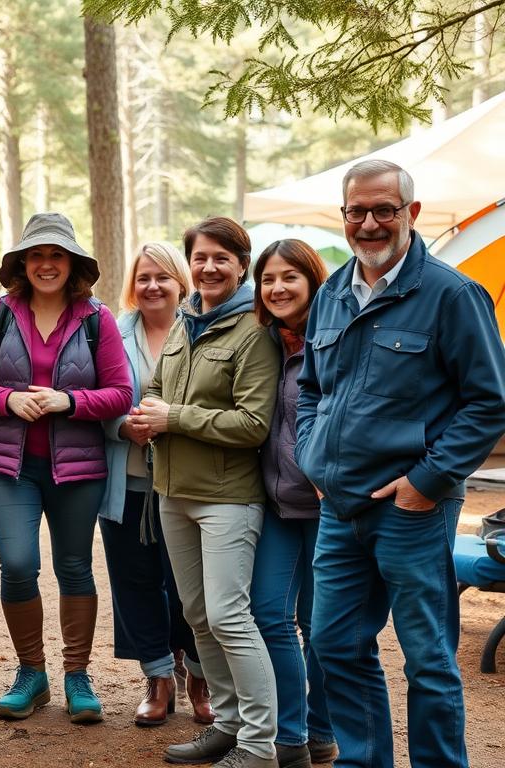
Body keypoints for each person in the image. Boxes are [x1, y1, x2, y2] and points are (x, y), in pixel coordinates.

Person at [296, 159, 505, 768]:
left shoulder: (452, 294)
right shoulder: (332, 291)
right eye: (357, 211)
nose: (369, 222)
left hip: (411, 511)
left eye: (384, 209)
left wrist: (426, 482)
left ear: (410, 214)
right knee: (335, 645)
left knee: (428, 658)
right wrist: (313, 458)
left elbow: (489, 403)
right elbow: (312, 388)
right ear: (343, 216)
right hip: (339, 509)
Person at [0, 212, 132, 725]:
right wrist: (10, 401)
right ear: (22, 263)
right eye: (36, 255)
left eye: (56, 255)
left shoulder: (96, 318)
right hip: (10, 466)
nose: (46, 264)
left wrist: (67, 401)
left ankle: (77, 675)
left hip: (77, 469)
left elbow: (121, 393)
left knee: (74, 566)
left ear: (72, 263)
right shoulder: (0, 315)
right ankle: (31, 674)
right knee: (16, 564)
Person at [133, 216, 280, 767]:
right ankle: (227, 724)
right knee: (196, 615)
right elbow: (156, 387)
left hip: (228, 498)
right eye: (200, 257)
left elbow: (253, 424)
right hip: (172, 491)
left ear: (242, 264)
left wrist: (175, 417)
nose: (209, 267)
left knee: (228, 616)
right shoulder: (185, 320)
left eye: (222, 257)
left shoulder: (253, 331)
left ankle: (261, 746)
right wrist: (145, 413)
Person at [98, 242, 215, 728]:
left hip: (188, 481)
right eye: (143, 277)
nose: (152, 286)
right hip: (129, 479)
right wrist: (122, 427)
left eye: (162, 277)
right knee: (135, 581)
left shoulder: (202, 328)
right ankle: (157, 676)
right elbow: (98, 399)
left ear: (180, 283)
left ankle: (200, 673)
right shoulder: (112, 332)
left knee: (193, 587)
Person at [249, 240, 336, 768]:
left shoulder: (335, 339)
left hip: (330, 505)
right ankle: (291, 736)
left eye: (289, 278)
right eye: (267, 279)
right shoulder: (263, 342)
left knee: (322, 625)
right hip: (277, 504)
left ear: (312, 281)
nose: (277, 288)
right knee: (269, 615)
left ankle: (322, 731)